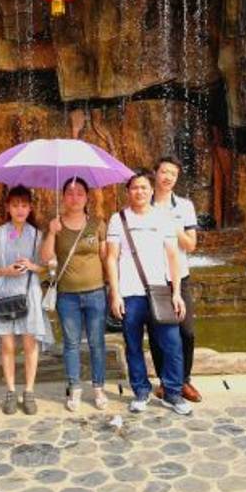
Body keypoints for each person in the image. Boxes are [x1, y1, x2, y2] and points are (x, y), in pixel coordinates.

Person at [106, 168, 192, 416]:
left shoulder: (164, 218)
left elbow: (173, 257)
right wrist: (115, 293)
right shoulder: (118, 219)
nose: (139, 191)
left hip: (160, 290)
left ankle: (172, 393)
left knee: (172, 343)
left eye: (144, 187)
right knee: (133, 345)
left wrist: (176, 292)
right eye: (135, 187)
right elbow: (111, 258)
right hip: (129, 294)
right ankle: (141, 392)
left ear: (151, 190)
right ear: (128, 191)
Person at [0, 185, 54, 415]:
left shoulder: (37, 235)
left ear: (30, 208)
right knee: (8, 345)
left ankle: (29, 391)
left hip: (29, 294)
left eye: (24, 205)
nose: (19, 210)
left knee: (30, 344)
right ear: (7, 208)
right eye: (15, 205)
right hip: (4, 294)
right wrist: (6, 271)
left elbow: (47, 267)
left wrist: (32, 266)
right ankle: (11, 391)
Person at [41, 177, 108, 412]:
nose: (75, 197)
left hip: (96, 293)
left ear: (87, 197)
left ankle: (98, 388)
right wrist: (52, 233)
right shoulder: (56, 225)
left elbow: (105, 257)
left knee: (97, 343)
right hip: (67, 295)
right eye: (69, 193)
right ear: (63, 197)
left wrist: (113, 288)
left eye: (80, 193)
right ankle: (75, 388)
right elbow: (46, 257)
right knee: (71, 343)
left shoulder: (98, 224)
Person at [151, 155, 202, 402]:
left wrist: (175, 227)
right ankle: (164, 381)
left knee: (186, 331)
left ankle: (184, 380)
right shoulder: (144, 203)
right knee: (158, 331)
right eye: (164, 172)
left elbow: (191, 245)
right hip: (153, 276)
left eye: (173, 173)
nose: (168, 177)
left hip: (180, 276)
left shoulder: (184, 206)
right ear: (155, 173)